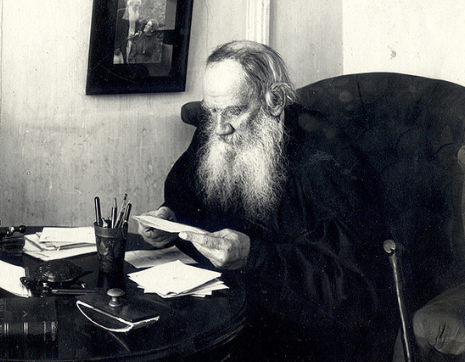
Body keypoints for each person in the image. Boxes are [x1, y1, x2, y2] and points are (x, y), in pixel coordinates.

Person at [138, 40, 394, 361]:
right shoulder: (217, 127)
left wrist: (254, 256)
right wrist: (171, 218)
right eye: (211, 110)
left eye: (234, 111)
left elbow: (353, 290)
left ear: (274, 102)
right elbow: (186, 192)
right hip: (226, 307)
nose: (219, 128)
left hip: (301, 337)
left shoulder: (326, 158)